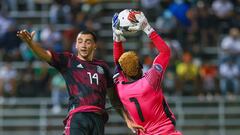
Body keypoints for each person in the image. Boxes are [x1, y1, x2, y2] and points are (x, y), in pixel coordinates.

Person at [17, 30, 114, 135]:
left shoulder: (103, 67)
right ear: (76, 45)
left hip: (99, 119)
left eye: (87, 42)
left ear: (94, 45)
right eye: (80, 41)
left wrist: (127, 118)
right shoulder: (69, 60)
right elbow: (44, 54)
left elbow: (114, 97)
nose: (83, 45)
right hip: (79, 116)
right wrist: (31, 44)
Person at [111, 10, 182, 135]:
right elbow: (165, 52)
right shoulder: (150, 81)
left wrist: (116, 37)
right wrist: (147, 28)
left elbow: (118, 62)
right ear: (140, 67)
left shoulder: (121, 88)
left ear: (124, 73)